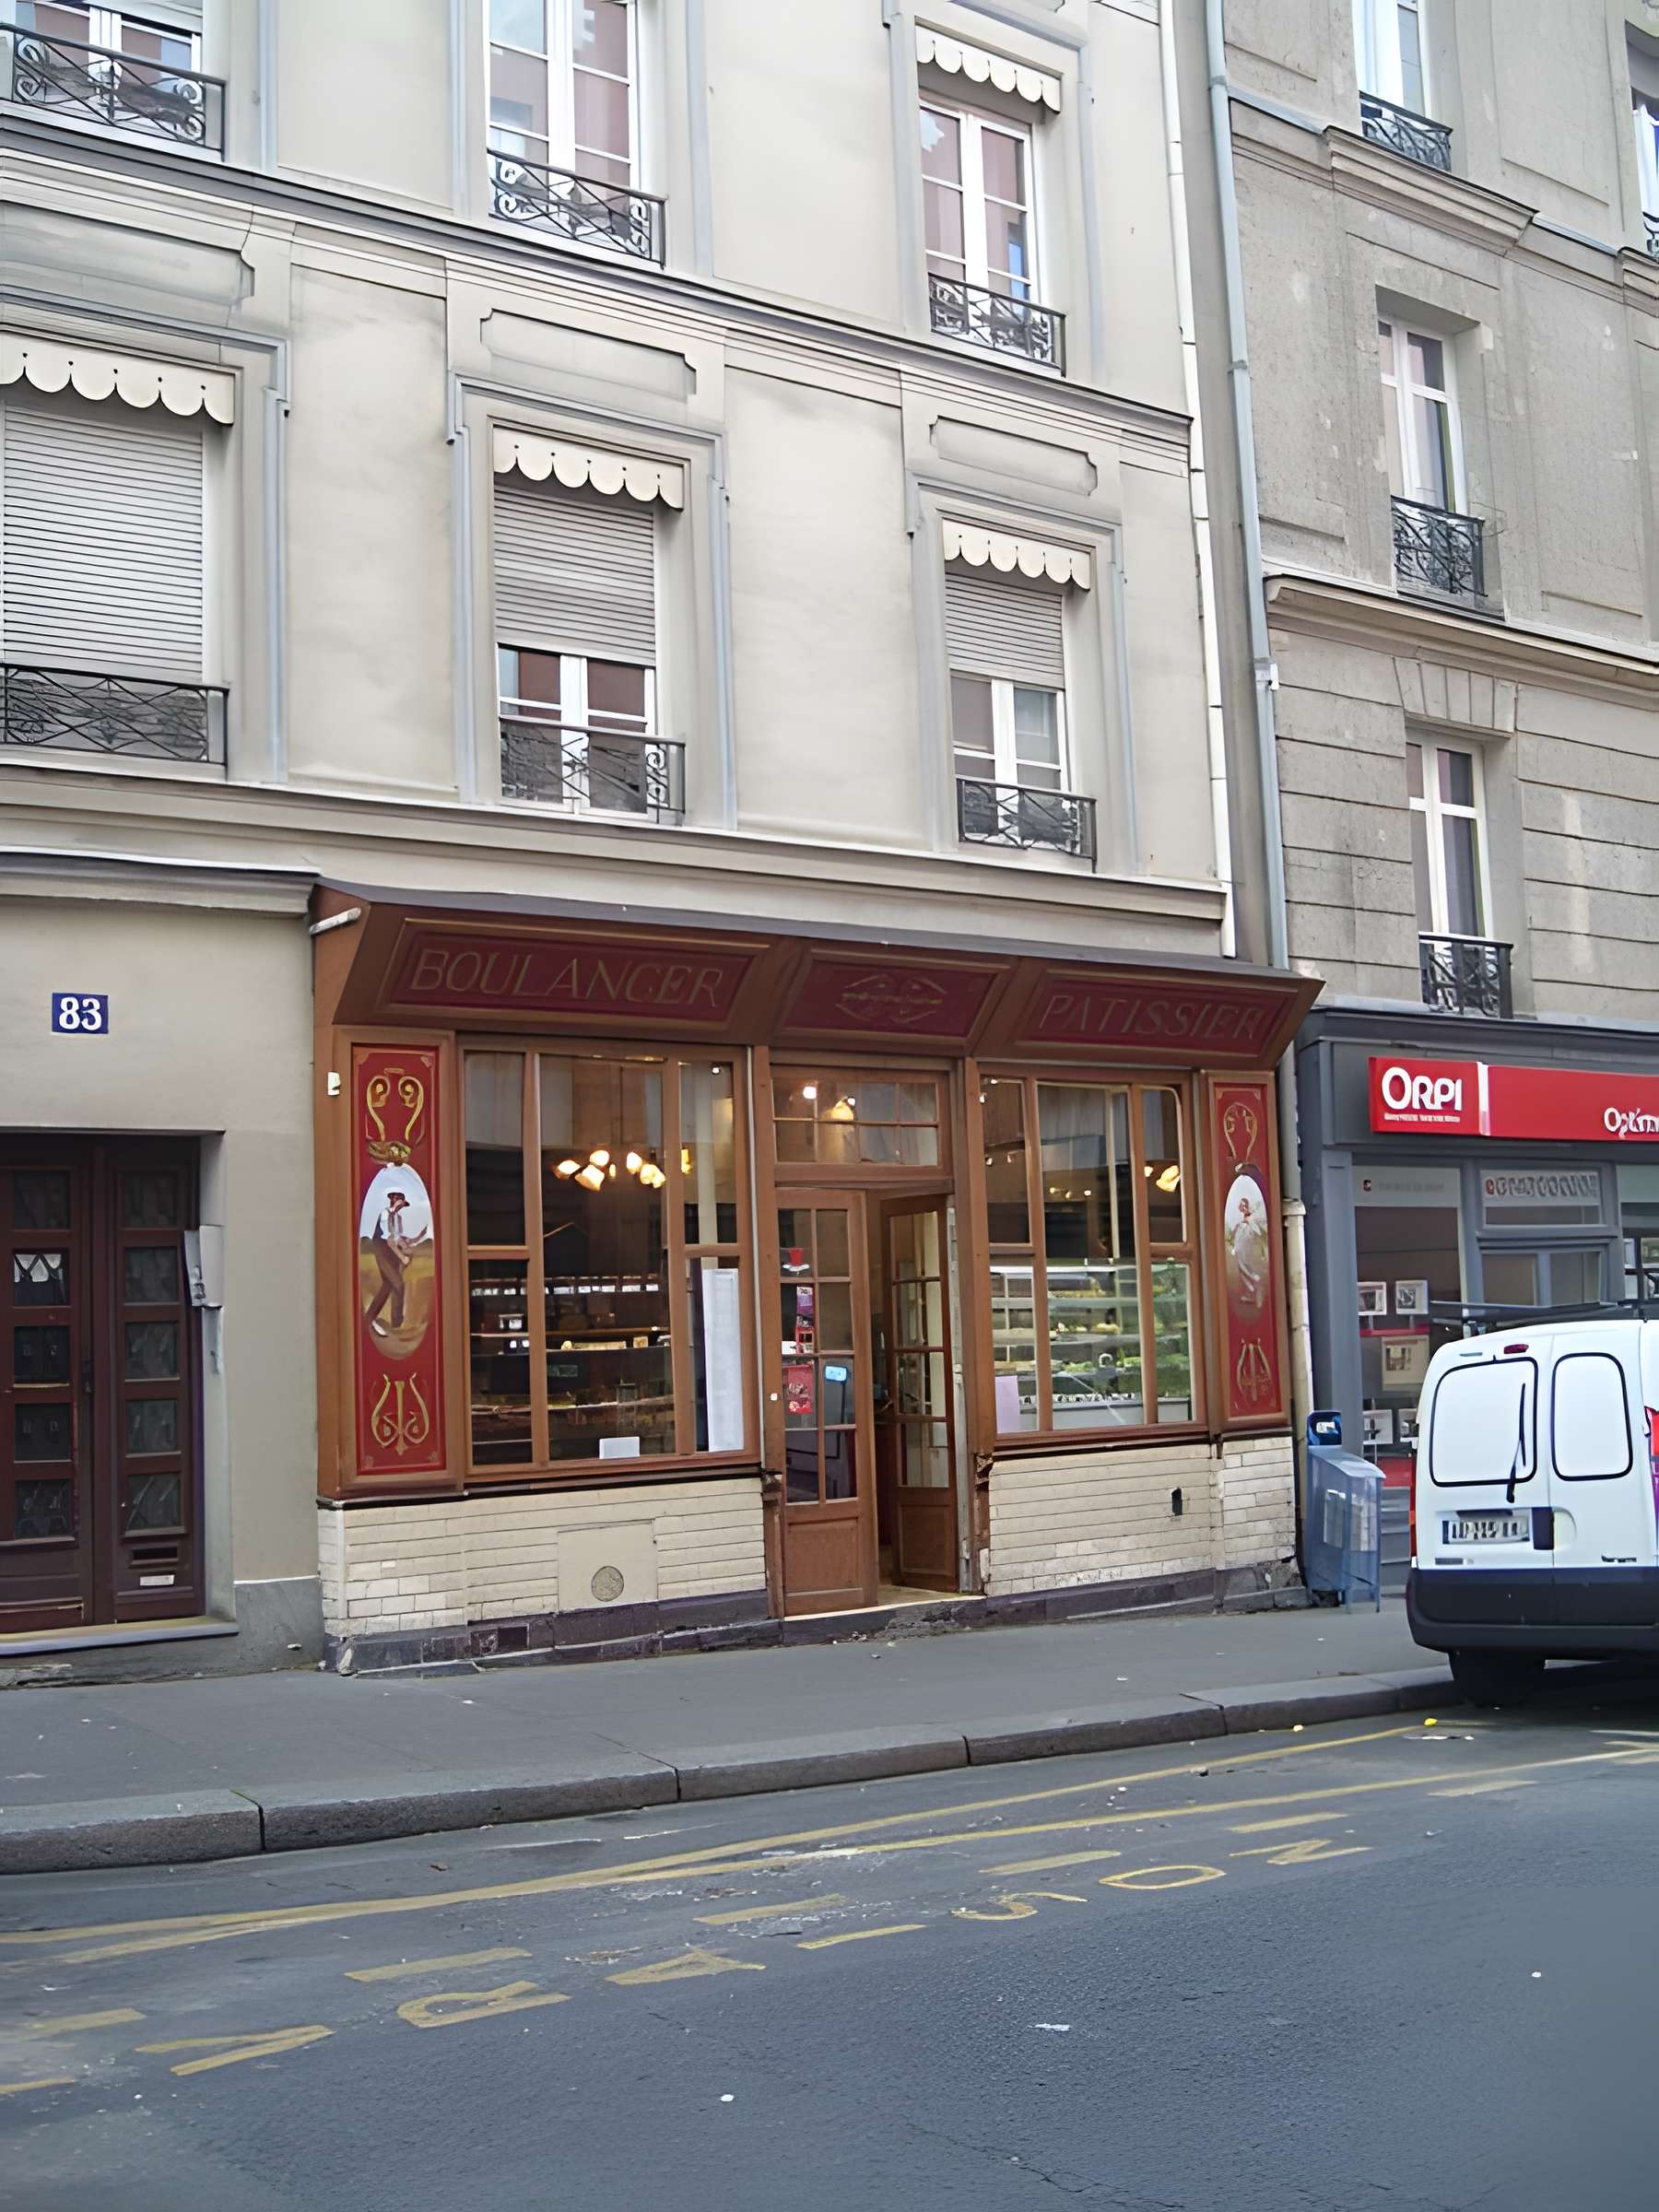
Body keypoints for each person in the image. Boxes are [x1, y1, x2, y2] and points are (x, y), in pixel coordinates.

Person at [366, 1188, 415, 1336]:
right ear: (393, 1201)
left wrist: (407, 1247)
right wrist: (403, 1257)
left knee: (388, 1285)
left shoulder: (398, 1218)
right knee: (397, 1284)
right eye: (399, 1203)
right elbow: (389, 1241)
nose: (401, 1207)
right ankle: (389, 1323)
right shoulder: (385, 1215)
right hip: (382, 1250)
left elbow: (397, 1238)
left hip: (391, 1251)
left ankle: (394, 1325)